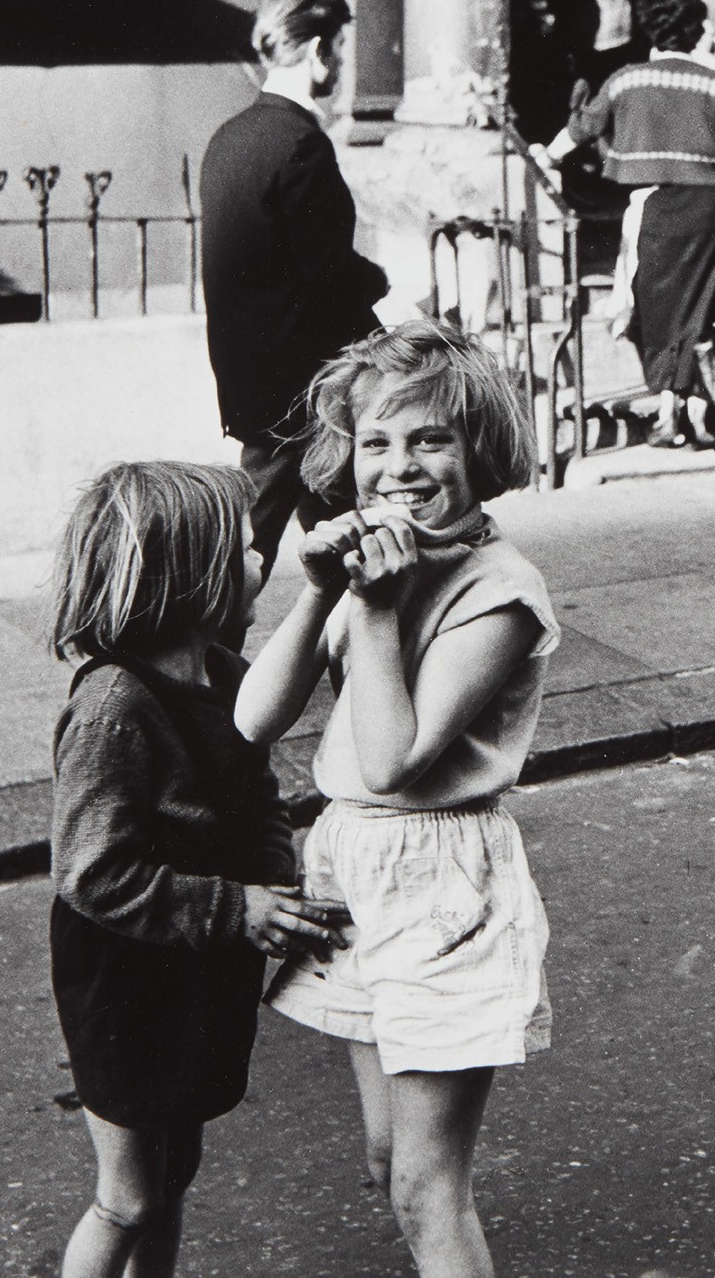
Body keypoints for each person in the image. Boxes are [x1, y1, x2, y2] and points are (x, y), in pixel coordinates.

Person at [237, 318, 557, 1276]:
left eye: (429, 440)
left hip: (441, 876)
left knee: (427, 1184)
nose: (400, 467)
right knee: (386, 1164)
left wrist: (372, 607)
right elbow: (253, 719)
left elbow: (391, 761)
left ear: (477, 450)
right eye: (377, 442)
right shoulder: (375, 560)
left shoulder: (499, 590)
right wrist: (317, 592)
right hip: (354, 867)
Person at [47, 461, 348, 1278]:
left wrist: (279, 888)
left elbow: (258, 802)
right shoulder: (114, 705)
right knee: (128, 1197)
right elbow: (91, 869)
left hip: (199, 972)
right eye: (248, 548)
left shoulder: (228, 677)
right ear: (192, 575)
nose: (263, 559)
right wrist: (239, 908)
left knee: (172, 1177)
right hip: (126, 980)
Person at [200, 0, 389, 581]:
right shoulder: (302, 143)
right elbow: (325, 274)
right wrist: (381, 298)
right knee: (247, 554)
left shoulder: (229, 137)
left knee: (345, 537)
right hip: (301, 388)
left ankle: (363, 650)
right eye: (335, 48)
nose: (337, 62)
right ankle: (201, 658)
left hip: (252, 375)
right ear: (315, 53)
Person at [538, 0, 715, 448]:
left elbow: (581, 128)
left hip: (656, 208)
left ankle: (669, 413)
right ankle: (696, 411)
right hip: (712, 209)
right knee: (701, 307)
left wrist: (545, 157)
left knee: (655, 311)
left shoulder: (626, 79)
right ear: (698, 29)